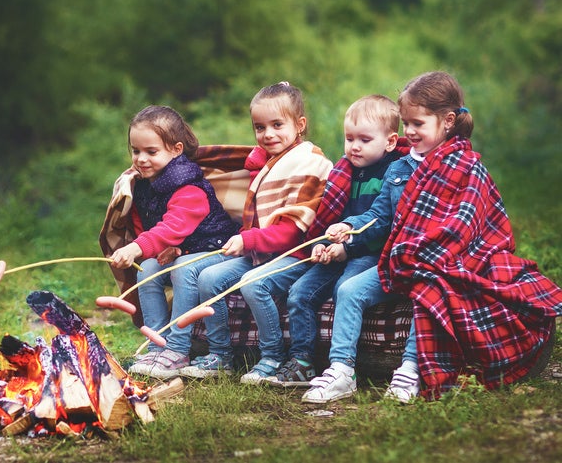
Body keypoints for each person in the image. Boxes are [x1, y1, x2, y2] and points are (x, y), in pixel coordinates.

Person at [373, 71, 561, 400]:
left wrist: (420, 252)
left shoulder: (467, 165)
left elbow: (464, 223)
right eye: (406, 124)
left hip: (462, 253)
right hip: (419, 254)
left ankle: (410, 368)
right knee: (429, 280)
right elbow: (399, 218)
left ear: (447, 121)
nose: (409, 131)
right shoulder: (407, 165)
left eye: (417, 123)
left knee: (441, 283)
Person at [195, 81, 333, 382]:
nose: (267, 134)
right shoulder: (269, 164)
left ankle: (272, 355)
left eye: (277, 125)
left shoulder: (310, 164)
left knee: (253, 283)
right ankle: (220, 356)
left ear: (300, 125)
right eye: (259, 127)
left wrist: (247, 239)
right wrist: (256, 166)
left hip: (294, 254)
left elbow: (292, 233)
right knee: (208, 278)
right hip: (261, 252)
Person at [272, 95, 405, 388]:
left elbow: (381, 224)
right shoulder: (344, 173)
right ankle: (303, 360)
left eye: (364, 139)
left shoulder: (394, 173)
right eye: (349, 138)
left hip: (369, 253)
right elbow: (329, 217)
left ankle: (343, 365)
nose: (354, 146)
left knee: (348, 287)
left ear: (390, 142)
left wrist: (346, 245)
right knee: (299, 293)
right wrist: (321, 243)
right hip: (339, 249)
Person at [108, 105, 241, 380]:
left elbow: (173, 226)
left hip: (220, 248)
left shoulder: (188, 186)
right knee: (149, 269)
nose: (141, 159)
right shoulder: (143, 185)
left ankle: (179, 350)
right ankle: (159, 344)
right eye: (136, 151)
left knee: (183, 267)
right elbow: (152, 229)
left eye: (151, 152)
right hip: (189, 248)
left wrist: (137, 246)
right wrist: (158, 250)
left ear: (176, 149)